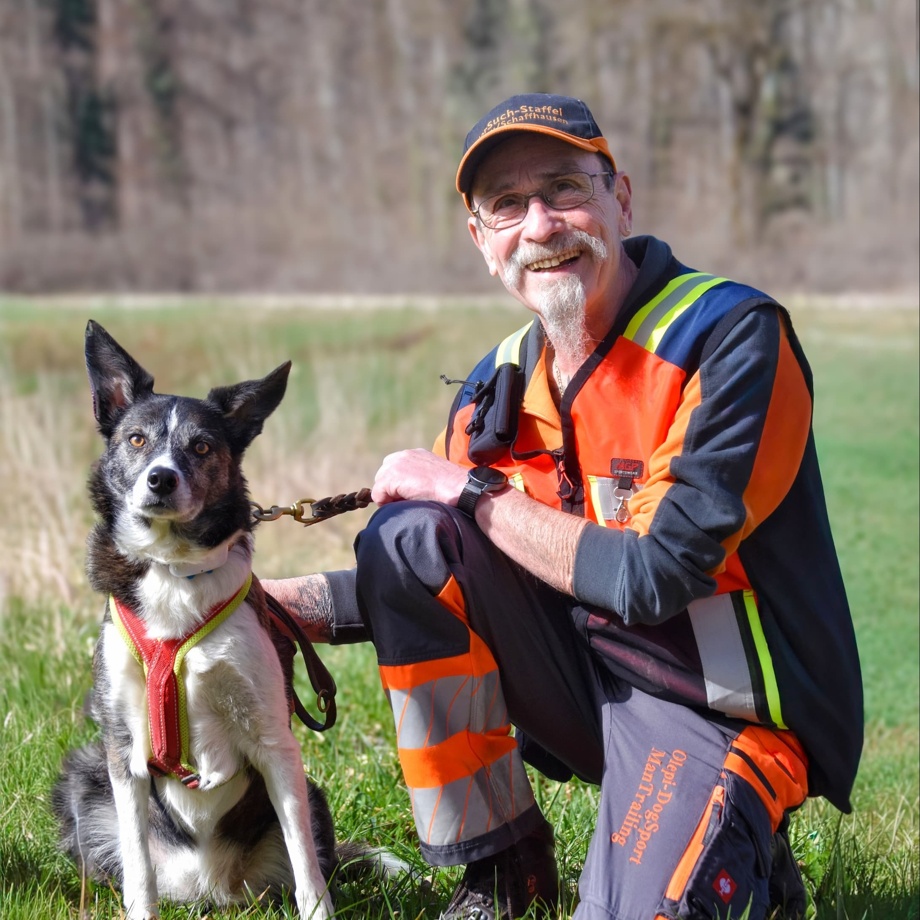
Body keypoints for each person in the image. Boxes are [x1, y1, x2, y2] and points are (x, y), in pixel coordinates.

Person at [264, 93, 863, 920]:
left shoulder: (729, 338)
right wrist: (274, 610)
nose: (540, 224)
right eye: (507, 205)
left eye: (564, 189)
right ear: (481, 241)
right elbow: (445, 567)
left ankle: (744, 837)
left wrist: (471, 490)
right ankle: (505, 867)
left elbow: (656, 575)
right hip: (587, 681)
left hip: (720, 705)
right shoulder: (495, 382)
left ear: (619, 199)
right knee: (406, 539)